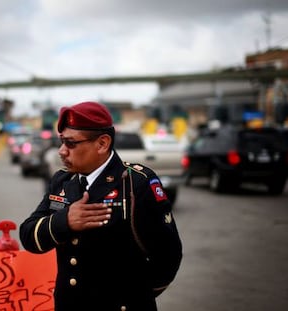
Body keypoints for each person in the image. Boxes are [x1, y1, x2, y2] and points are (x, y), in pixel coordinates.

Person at [19, 101, 182, 311]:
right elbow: (28, 236)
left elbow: (168, 256)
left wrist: (132, 297)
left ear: (102, 143)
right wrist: (65, 221)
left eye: (71, 143)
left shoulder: (136, 183)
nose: (61, 151)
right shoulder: (62, 181)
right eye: (61, 141)